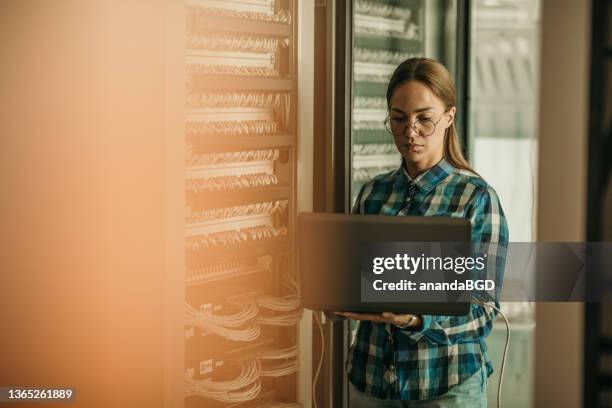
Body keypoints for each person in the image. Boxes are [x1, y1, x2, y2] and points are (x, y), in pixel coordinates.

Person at [335, 58, 509, 407]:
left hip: (446, 387)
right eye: (398, 118)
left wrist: (416, 320)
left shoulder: (476, 198)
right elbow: (353, 282)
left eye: (424, 119)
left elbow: (484, 310)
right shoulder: (373, 194)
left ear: (449, 117)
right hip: (369, 382)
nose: (410, 132)